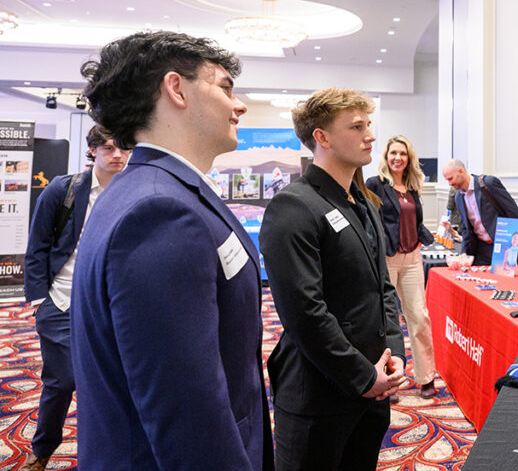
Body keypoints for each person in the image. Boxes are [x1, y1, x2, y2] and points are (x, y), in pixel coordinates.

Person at [71, 31, 274, 470]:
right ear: (176, 89)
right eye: (224, 86)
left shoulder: (152, 191)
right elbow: (186, 410)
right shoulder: (160, 210)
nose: (238, 105)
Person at [260, 88, 406, 471]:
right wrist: (361, 376)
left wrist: (395, 356)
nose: (370, 135)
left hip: (373, 389)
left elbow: (383, 289)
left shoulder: (363, 202)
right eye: (357, 126)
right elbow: (304, 312)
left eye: (368, 124)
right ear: (321, 137)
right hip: (319, 397)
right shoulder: (293, 205)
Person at [21, 126, 127, 471]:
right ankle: (42, 451)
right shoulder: (64, 190)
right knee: (63, 380)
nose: (117, 155)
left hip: (111, 307)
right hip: (61, 301)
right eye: (109, 148)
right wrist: (40, 302)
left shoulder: (133, 192)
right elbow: (36, 248)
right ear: (93, 150)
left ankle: (109, 456)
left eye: (123, 148)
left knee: (112, 383)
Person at [366, 135, 439, 398]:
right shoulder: (374, 185)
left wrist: (424, 239)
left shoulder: (412, 187)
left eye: (403, 154)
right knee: (385, 320)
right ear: (386, 157)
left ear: (409, 159)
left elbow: (414, 221)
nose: (398, 158)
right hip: (386, 259)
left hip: (412, 259)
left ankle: (426, 377)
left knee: (420, 317)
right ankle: (389, 379)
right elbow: (369, 222)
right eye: (393, 153)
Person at [441, 159, 518, 266]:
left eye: (451, 178)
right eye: (447, 180)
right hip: (481, 248)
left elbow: (510, 208)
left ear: (461, 171)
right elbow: (466, 229)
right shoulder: (458, 198)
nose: (450, 183)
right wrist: (464, 255)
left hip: (503, 244)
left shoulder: (488, 183)